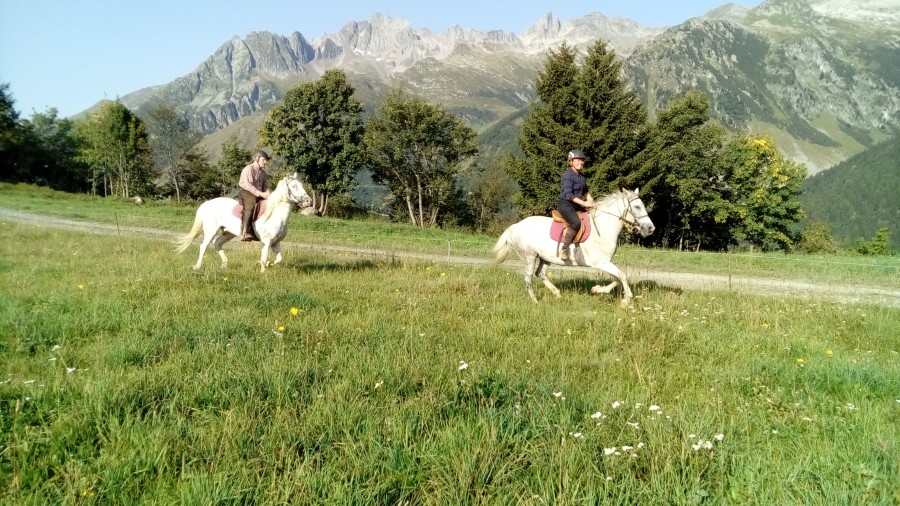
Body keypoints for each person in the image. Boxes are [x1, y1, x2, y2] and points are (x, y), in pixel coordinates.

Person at [557, 149, 594, 260]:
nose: (580, 162)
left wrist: (592, 202)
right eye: (577, 160)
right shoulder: (567, 175)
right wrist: (584, 203)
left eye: (582, 160)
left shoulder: (581, 176)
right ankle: (564, 248)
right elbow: (568, 194)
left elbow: (585, 191)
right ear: (571, 161)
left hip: (576, 205)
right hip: (565, 204)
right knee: (576, 222)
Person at [239, 149, 272, 241]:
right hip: (247, 191)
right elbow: (248, 185)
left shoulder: (263, 173)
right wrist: (261, 193)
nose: (265, 162)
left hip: (258, 192)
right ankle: (245, 232)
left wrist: (268, 192)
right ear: (256, 158)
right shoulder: (248, 169)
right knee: (250, 206)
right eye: (264, 159)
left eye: (266, 160)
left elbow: (265, 186)